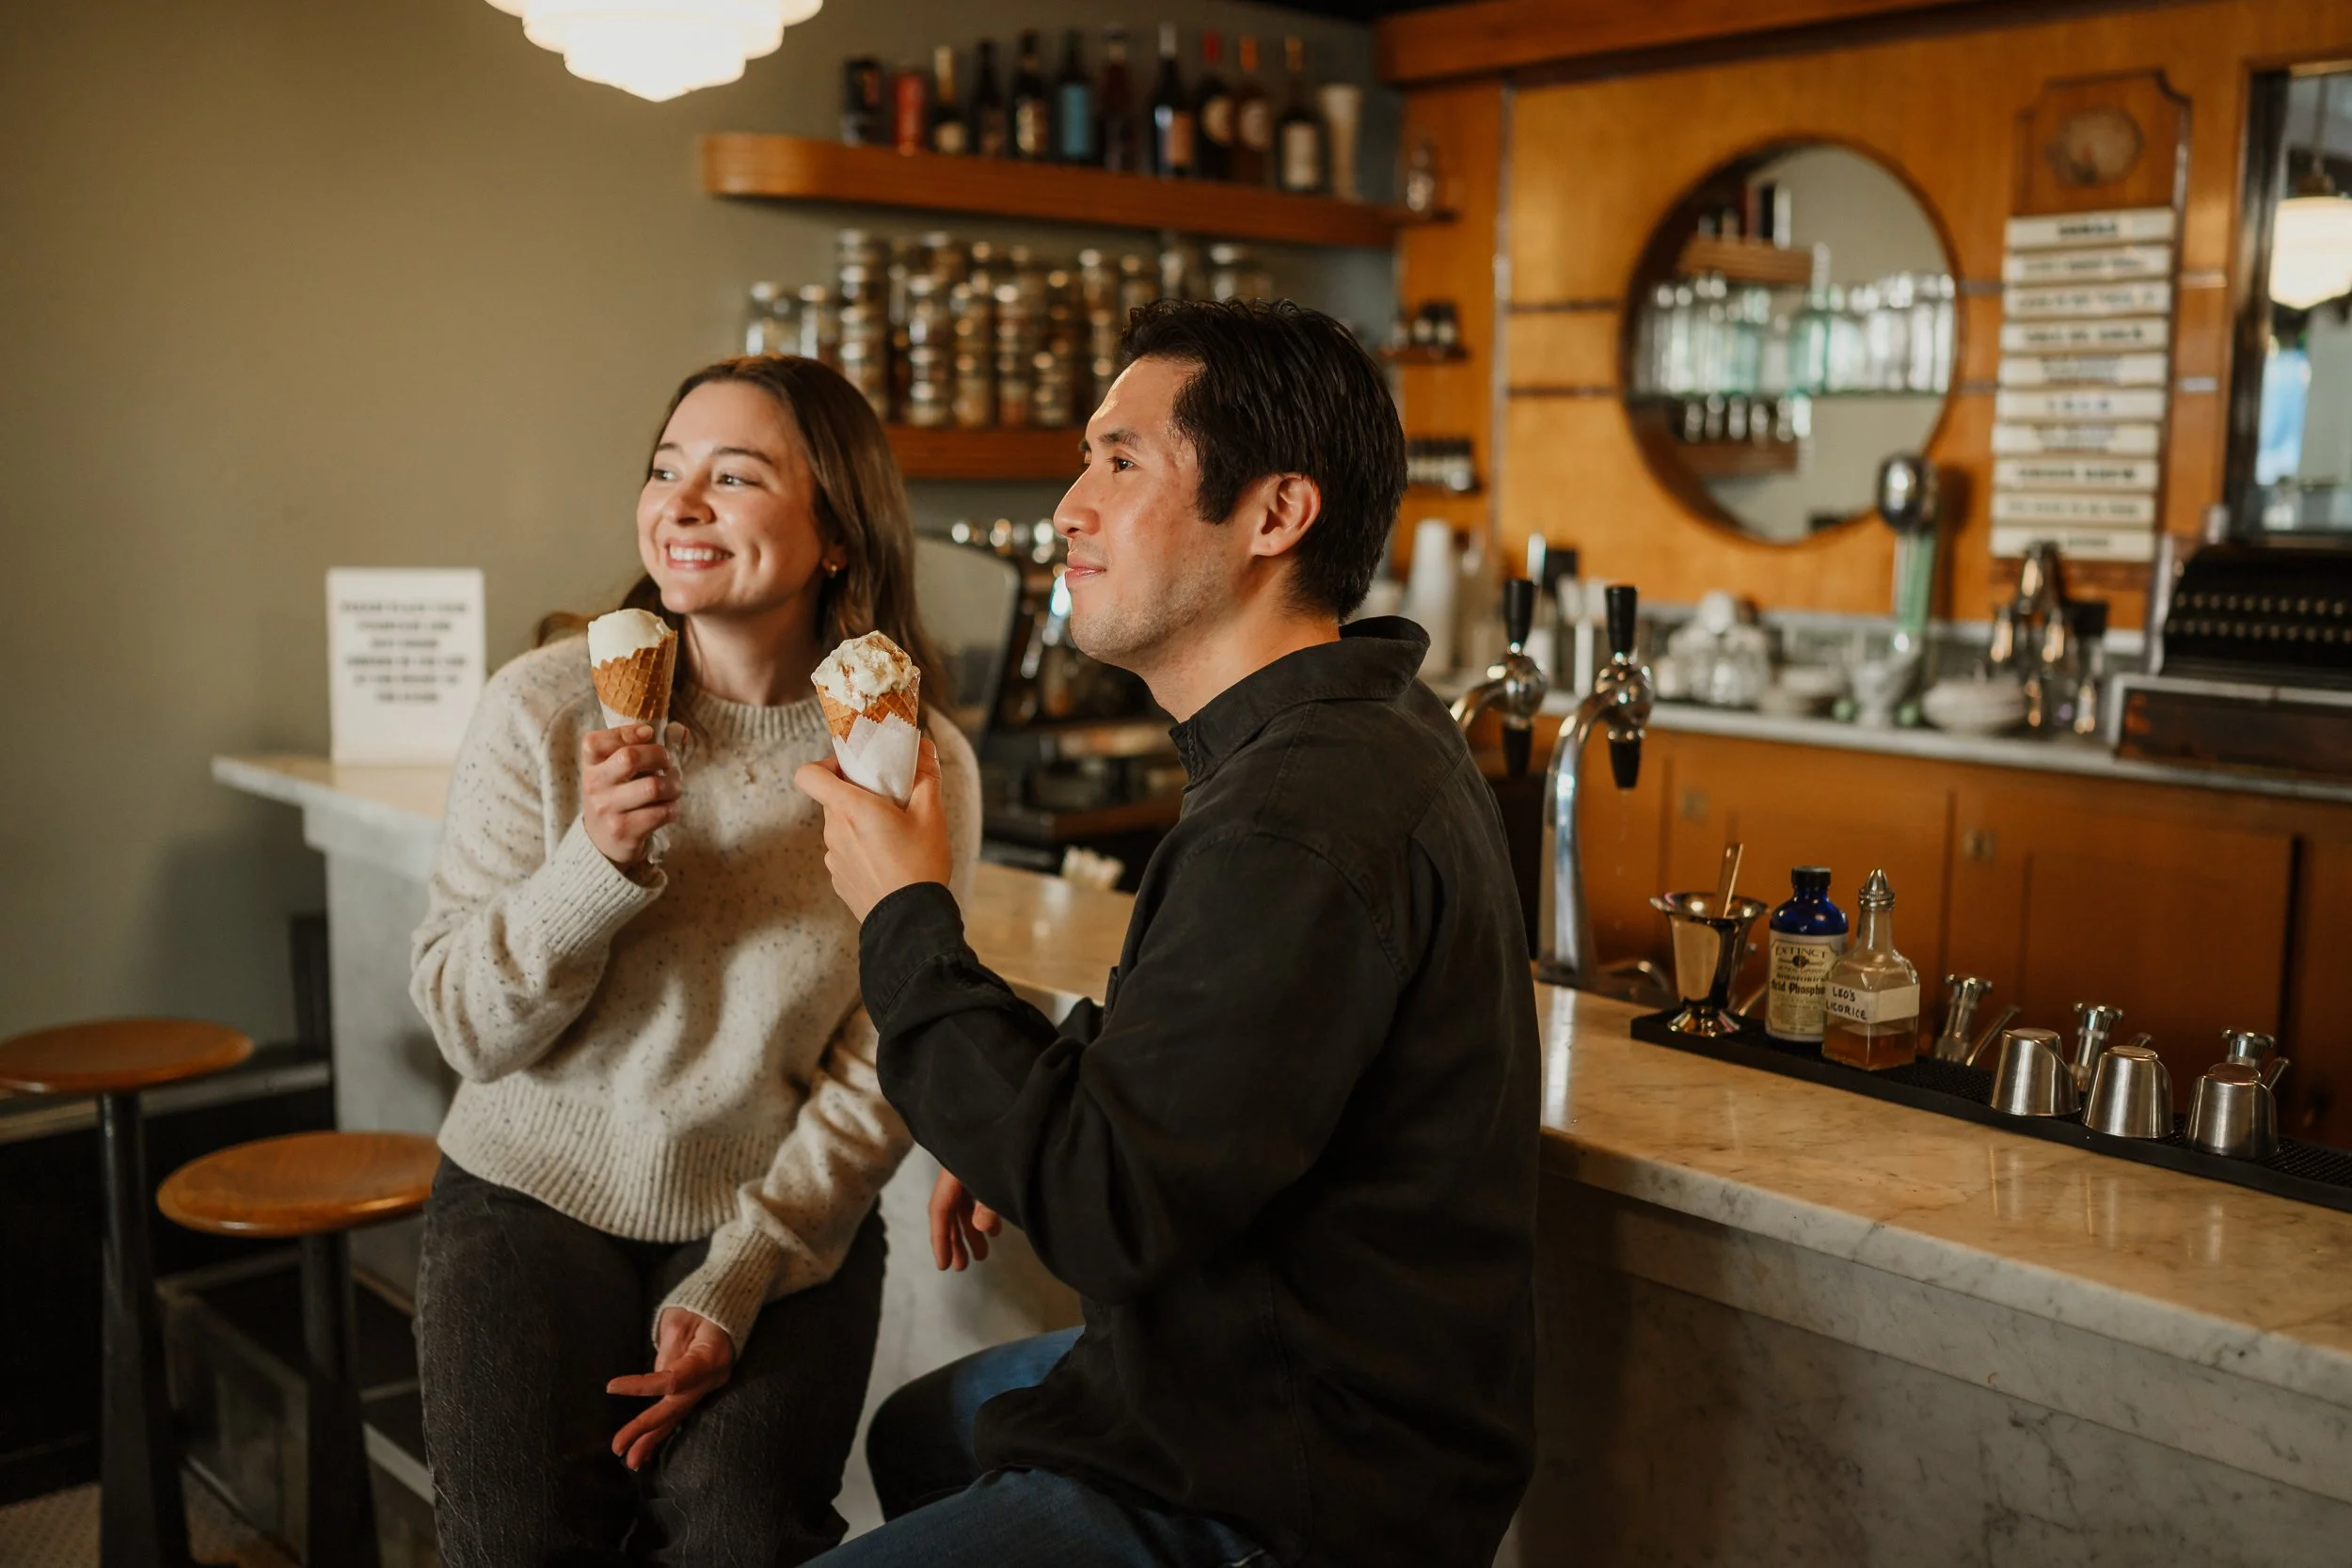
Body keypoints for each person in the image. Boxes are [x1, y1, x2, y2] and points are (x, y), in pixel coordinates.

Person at [794, 299, 1539, 1568]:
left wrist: (905, 910)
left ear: (1274, 514)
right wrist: (1037, 1088)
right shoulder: (1345, 736)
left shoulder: (1299, 814)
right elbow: (1237, 1052)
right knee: (929, 1430)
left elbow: (1105, 1209)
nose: (1067, 508)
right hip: (1263, 1380)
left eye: (1120, 460)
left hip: (1288, 1479)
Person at [408, 355, 980, 1567]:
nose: (680, 502)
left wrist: (741, 1277)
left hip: (773, 1210)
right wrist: (593, 868)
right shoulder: (544, 711)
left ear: (837, 530)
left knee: (739, 1536)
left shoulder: (913, 757)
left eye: (735, 475)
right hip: (528, 1192)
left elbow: (887, 1052)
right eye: (666, 470)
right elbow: (466, 1028)